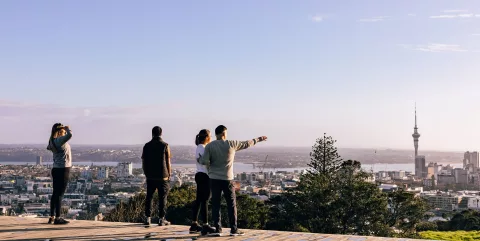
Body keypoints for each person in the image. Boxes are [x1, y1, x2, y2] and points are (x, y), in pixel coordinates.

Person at [200, 125, 267, 236]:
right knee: (231, 204)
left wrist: (206, 163)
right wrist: (259, 139)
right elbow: (247, 143)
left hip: (214, 179)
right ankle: (233, 229)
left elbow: (204, 161)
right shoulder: (231, 143)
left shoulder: (209, 146)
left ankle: (217, 229)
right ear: (223, 134)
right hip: (227, 179)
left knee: (216, 204)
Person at [141, 126, 171, 226]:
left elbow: (144, 161)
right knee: (162, 198)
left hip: (150, 176)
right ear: (161, 133)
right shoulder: (165, 145)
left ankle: (147, 218)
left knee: (149, 197)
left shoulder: (146, 146)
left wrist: (146, 172)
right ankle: (161, 218)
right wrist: (169, 174)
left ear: (152, 133)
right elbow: (168, 161)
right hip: (162, 176)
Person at [189, 129, 216, 235]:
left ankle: (194, 223)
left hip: (200, 175)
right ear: (207, 137)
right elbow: (207, 163)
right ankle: (205, 224)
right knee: (205, 200)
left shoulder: (199, 147)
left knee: (199, 200)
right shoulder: (203, 148)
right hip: (205, 176)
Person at [46, 123, 73, 225]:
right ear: (61, 131)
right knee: (60, 195)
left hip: (56, 169)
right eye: (63, 130)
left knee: (55, 194)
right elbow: (70, 135)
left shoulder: (52, 141)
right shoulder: (59, 140)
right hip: (63, 169)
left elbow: (49, 147)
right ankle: (58, 217)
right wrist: (68, 129)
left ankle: (52, 216)